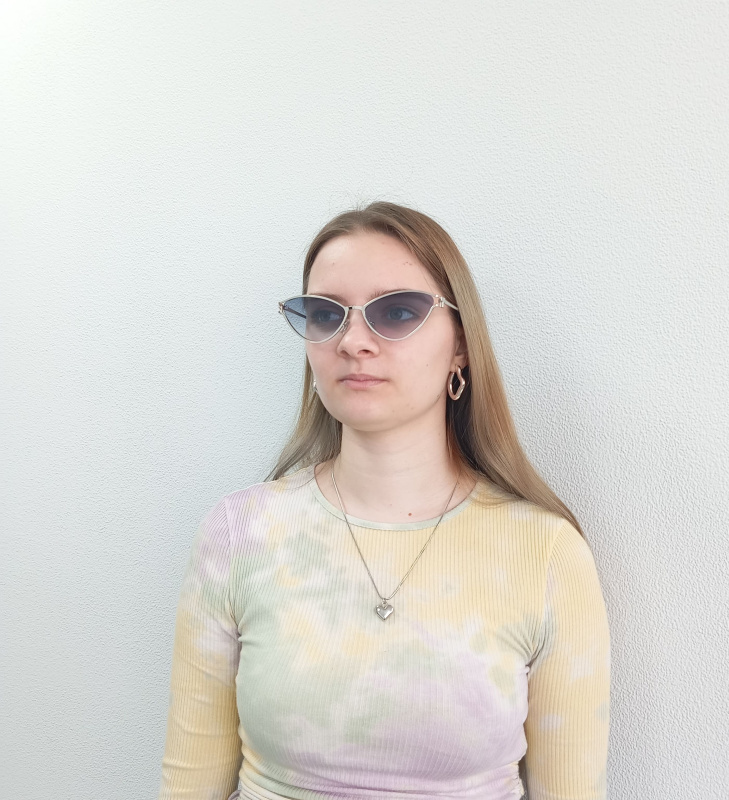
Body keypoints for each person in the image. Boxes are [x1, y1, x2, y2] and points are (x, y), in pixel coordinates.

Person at [157, 201, 611, 800]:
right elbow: (190, 786)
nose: (352, 341)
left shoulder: (545, 554)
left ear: (461, 345)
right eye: (326, 314)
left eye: (397, 311)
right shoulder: (241, 534)